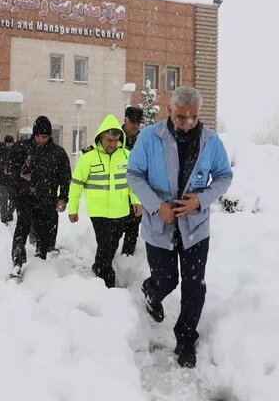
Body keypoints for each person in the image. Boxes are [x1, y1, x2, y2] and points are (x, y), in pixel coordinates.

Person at [127, 86, 233, 369]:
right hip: (159, 225)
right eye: (181, 117)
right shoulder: (150, 137)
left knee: (194, 287)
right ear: (169, 111)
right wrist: (155, 205)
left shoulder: (211, 141)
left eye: (193, 118)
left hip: (195, 228)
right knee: (166, 280)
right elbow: (134, 174)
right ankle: (152, 291)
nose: (187, 123)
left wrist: (200, 200)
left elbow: (224, 176)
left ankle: (186, 341)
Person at [68, 114, 141, 288]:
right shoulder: (88, 157)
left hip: (121, 210)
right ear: (101, 136)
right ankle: (105, 277)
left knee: (112, 243)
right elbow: (77, 183)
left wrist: (136, 201)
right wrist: (73, 208)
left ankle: (99, 265)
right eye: (109, 140)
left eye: (115, 140)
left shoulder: (126, 155)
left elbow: (132, 182)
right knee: (105, 244)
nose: (112, 144)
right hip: (99, 211)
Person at [9, 116, 71, 277]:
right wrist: (20, 174)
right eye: (38, 136)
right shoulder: (23, 148)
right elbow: (9, 168)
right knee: (22, 228)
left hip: (46, 200)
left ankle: (40, 259)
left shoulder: (58, 153)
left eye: (44, 137)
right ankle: (17, 261)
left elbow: (65, 177)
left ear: (50, 136)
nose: (41, 140)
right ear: (34, 134)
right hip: (25, 197)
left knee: (43, 234)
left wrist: (63, 197)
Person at [120, 106, 143, 256]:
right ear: (125, 120)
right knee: (112, 234)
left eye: (138, 122)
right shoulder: (114, 137)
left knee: (132, 230)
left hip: (136, 193)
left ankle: (126, 260)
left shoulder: (143, 140)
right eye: (132, 121)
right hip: (117, 192)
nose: (135, 125)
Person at [0, 135, 16, 223]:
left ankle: (9, 213)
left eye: (11, 143)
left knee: (14, 200)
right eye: (8, 143)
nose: (9, 145)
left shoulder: (16, 151)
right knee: (4, 201)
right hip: (2, 180)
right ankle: (4, 218)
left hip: (13, 180)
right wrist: (3, 168)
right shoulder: (0, 151)